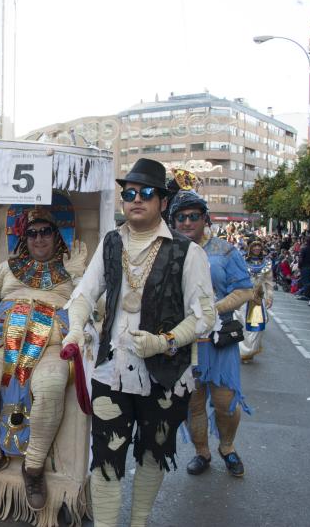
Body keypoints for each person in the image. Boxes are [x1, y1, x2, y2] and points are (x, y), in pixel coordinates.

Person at [65, 158, 215, 527]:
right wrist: (73, 328)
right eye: (129, 192)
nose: (136, 199)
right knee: (105, 454)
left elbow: (204, 316)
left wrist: (164, 342)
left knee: (152, 454)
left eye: (146, 193)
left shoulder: (187, 252)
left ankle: (140, 521)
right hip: (110, 370)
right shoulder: (111, 243)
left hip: (165, 374)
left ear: (163, 202)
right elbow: (85, 294)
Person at [0, 206, 87, 511]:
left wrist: (80, 275)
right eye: (32, 233)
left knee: (52, 384)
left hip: (52, 346)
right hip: (3, 342)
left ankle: (34, 467)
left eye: (46, 232)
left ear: (58, 235)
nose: (39, 238)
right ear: (23, 237)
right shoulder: (7, 267)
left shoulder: (73, 266)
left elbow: (94, 305)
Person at [167, 185, 253, 479]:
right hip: (185, 340)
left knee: (224, 401)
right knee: (193, 403)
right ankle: (201, 452)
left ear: (205, 219)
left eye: (193, 216)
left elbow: (245, 290)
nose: (187, 222)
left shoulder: (225, 251)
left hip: (218, 339)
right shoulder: (168, 251)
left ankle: (227, 447)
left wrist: (214, 308)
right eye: (180, 217)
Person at [237, 240, 275, 362]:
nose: (257, 248)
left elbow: (269, 282)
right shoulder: (242, 260)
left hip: (257, 299)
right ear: (250, 248)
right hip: (244, 296)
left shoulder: (266, 263)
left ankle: (250, 350)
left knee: (256, 327)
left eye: (259, 246)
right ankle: (242, 351)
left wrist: (269, 297)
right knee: (242, 325)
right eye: (255, 246)